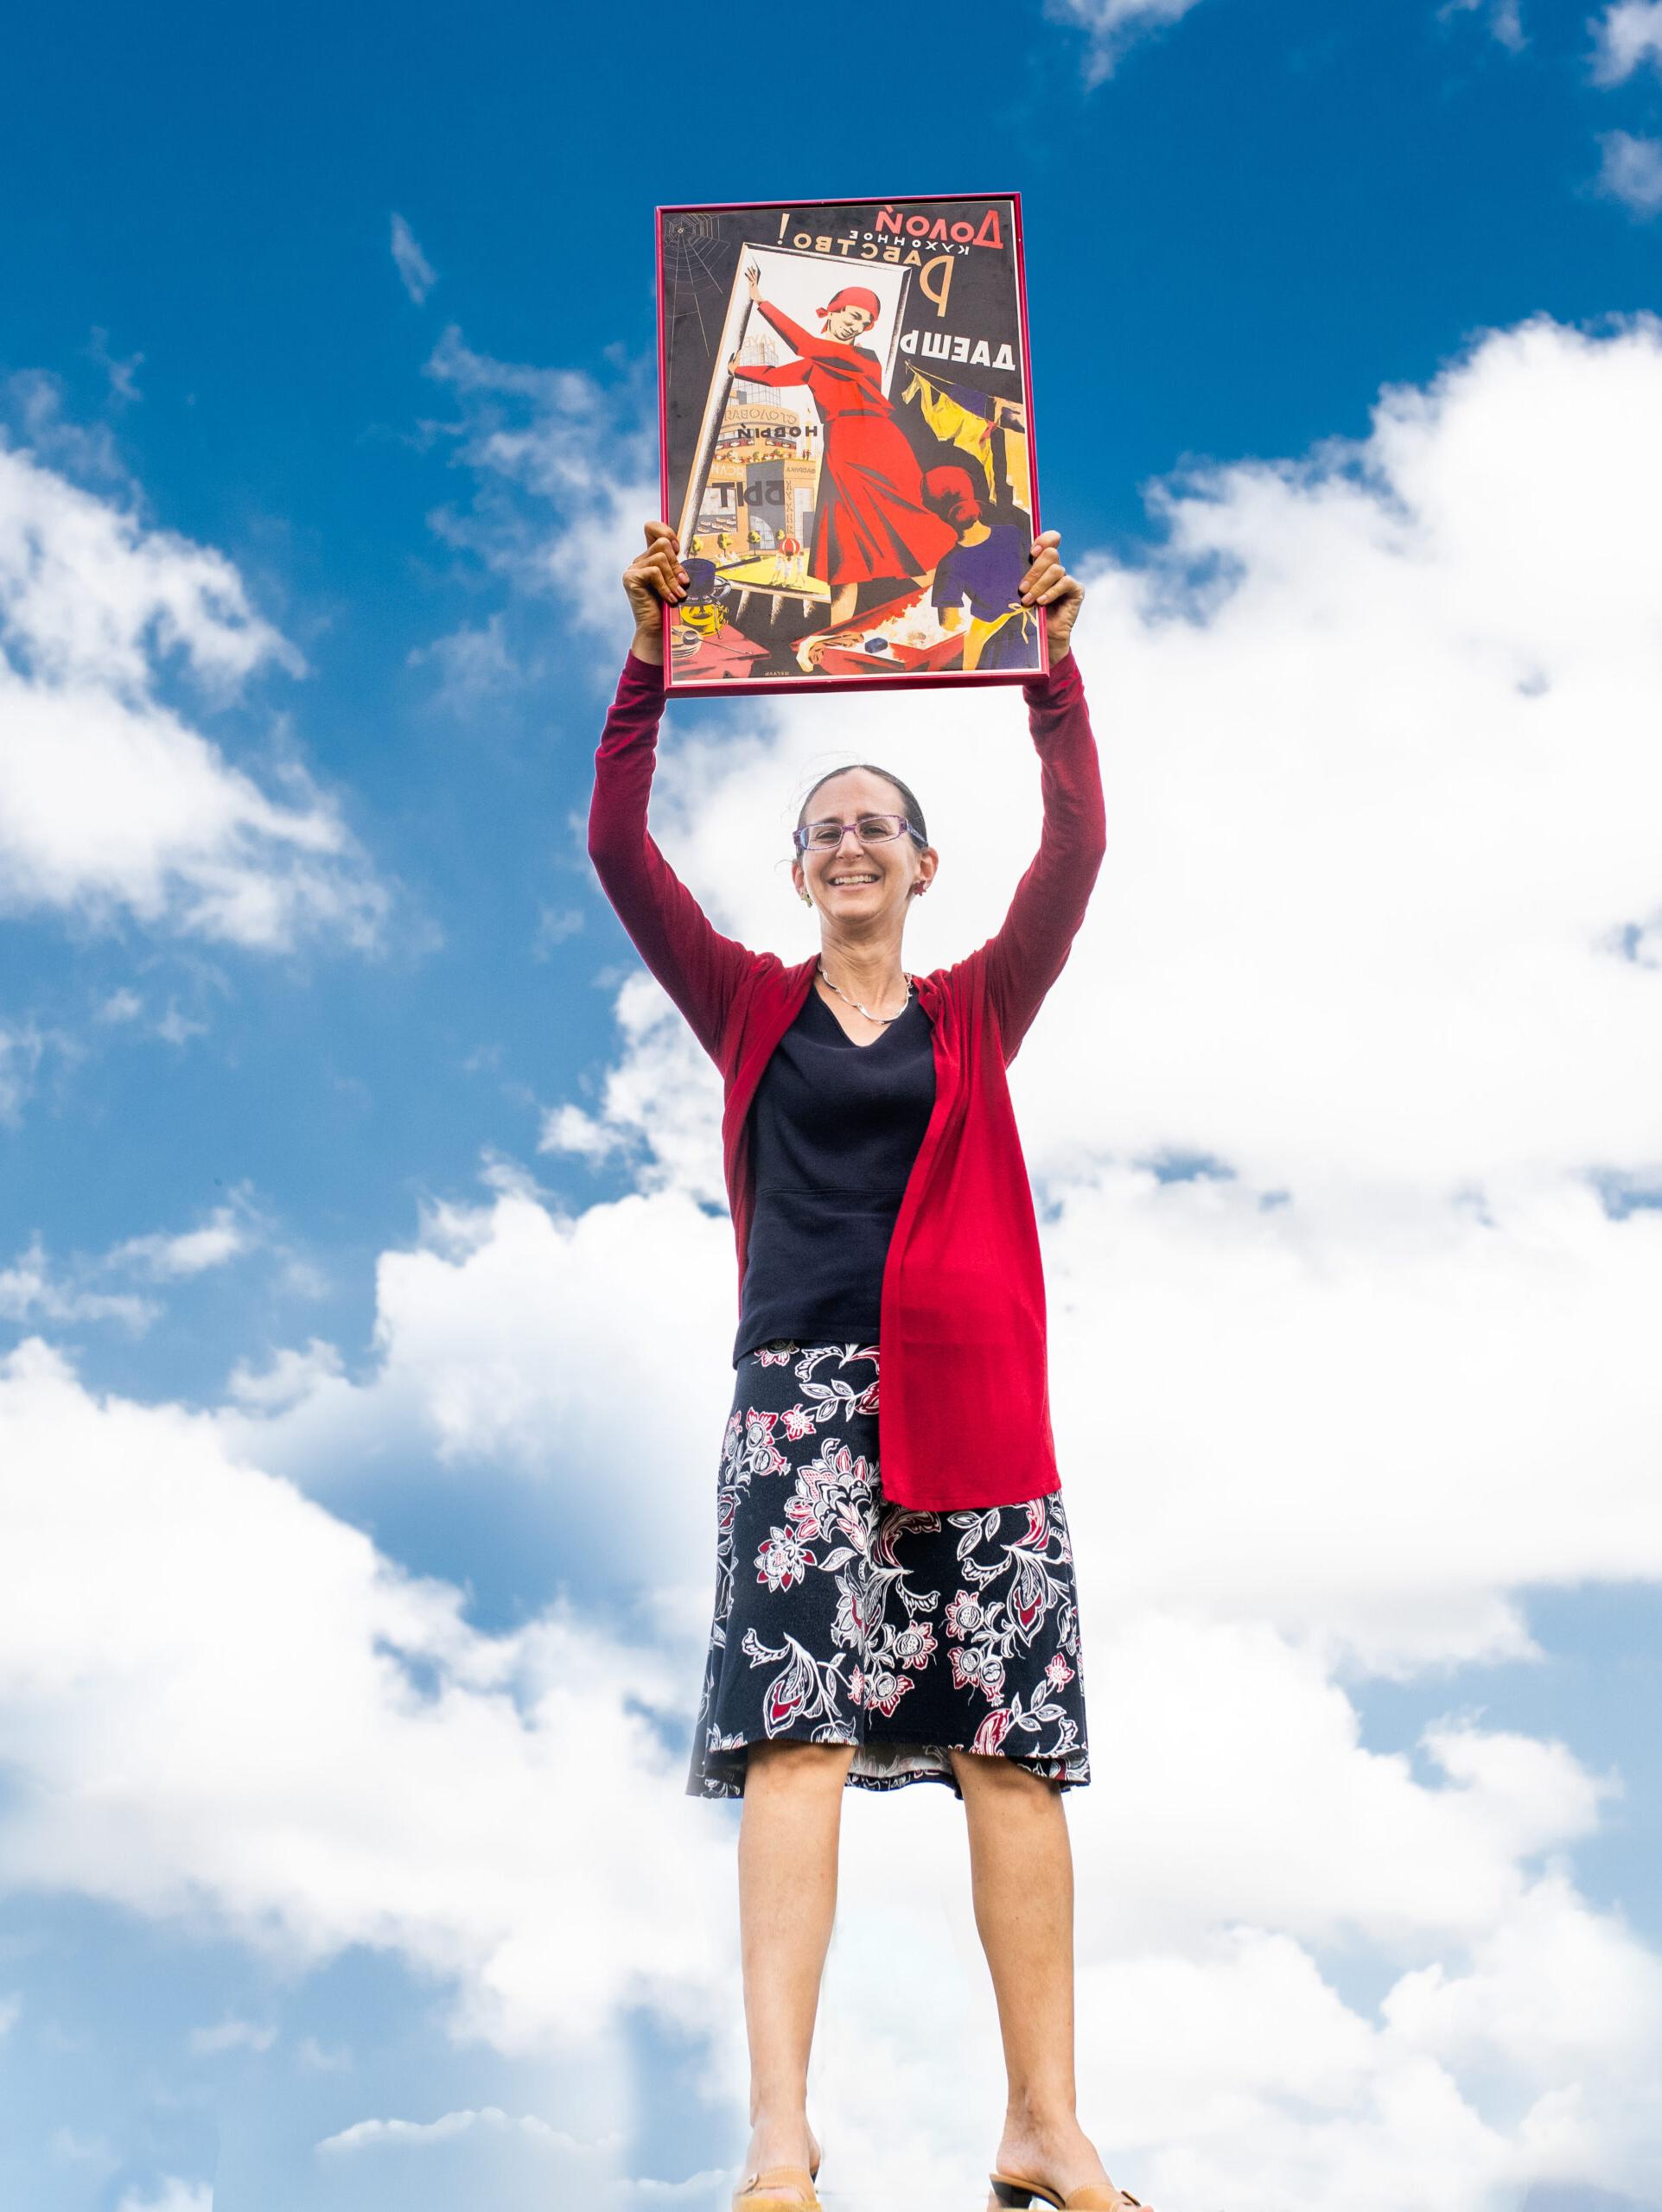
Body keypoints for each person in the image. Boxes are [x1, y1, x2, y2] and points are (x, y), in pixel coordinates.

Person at [588, 519, 1154, 2212]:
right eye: (823, 827)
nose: (848, 841)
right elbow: (617, 848)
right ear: (797, 872)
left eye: (875, 827)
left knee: (1011, 1746)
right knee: (795, 1738)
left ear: (920, 867)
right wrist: (652, 655)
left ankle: (1043, 2123)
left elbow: (1078, 844)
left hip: (978, 1404)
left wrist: (1049, 665)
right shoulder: (747, 1003)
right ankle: (781, 2133)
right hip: (802, 1405)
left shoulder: (978, 1004)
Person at [726, 263, 958, 629]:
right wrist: (737, 369)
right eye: (853, 314)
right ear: (833, 309)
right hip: (840, 450)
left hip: (878, 447)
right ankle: (835, 632)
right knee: (842, 545)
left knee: (903, 534)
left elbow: (805, 345)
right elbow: (774, 376)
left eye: (865, 321)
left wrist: (761, 302)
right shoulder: (815, 363)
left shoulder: (863, 359)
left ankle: (946, 608)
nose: (856, 324)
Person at [923, 463, 1040, 673]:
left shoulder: (949, 564)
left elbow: (949, 624)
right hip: (1033, 635)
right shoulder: (1013, 533)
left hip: (995, 646)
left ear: (936, 513)